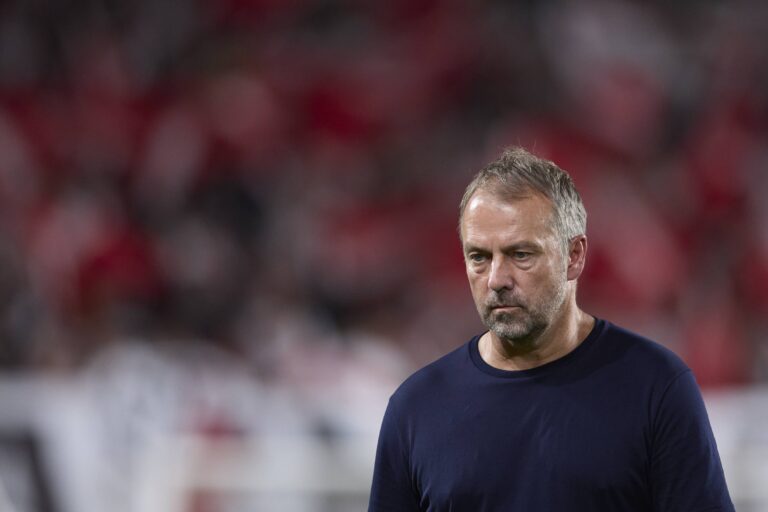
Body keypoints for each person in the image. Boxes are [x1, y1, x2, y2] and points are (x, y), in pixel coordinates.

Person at [368, 147, 734, 511]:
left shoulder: (656, 388)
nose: (496, 279)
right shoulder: (416, 409)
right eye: (479, 257)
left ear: (574, 255)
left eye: (520, 255)